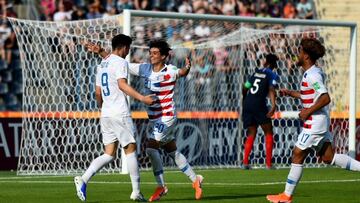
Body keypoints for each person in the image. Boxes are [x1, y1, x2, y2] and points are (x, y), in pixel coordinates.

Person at [88, 39, 204, 202]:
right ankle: (195, 179)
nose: (152, 56)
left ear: (164, 56)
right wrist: (101, 52)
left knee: (151, 148)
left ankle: (161, 186)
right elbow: (119, 63)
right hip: (154, 118)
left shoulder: (170, 70)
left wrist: (188, 67)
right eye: (150, 53)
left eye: (155, 53)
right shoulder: (144, 68)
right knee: (172, 150)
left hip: (167, 116)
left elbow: (182, 73)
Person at [266, 38, 360, 203]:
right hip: (319, 120)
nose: (298, 54)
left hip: (315, 122)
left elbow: (325, 98)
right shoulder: (311, 73)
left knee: (297, 153)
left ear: (306, 55)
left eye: (300, 51)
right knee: (328, 157)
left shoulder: (313, 75)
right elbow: (310, 95)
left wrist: (307, 111)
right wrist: (290, 93)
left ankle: (286, 196)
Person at [74, 34, 155, 202]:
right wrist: (143, 98)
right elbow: (122, 85)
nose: (128, 51)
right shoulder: (120, 62)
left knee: (109, 153)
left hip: (106, 113)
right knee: (130, 149)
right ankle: (136, 191)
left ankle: (83, 179)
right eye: (128, 48)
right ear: (124, 47)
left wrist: (102, 107)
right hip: (119, 112)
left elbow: (97, 93)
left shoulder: (102, 64)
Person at [242, 53, 279, 169]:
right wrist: (273, 106)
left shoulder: (256, 72)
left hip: (248, 103)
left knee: (251, 132)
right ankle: (268, 164)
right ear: (273, 64)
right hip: (259, 104)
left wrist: (244, 99)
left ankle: (245, 163)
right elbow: (272, 89)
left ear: (265, 62)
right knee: (268, 131)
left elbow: (245, 86)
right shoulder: (272, 74)